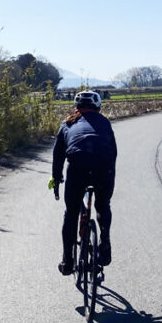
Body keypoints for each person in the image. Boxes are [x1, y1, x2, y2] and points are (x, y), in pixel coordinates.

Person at [50, 90, 117, 275]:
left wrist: (56, 179)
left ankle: (68, 261)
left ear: (76, 107)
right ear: (98, 106)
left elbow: (58, 156)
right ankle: (105, 244)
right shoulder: (104, 122)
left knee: (71, 213)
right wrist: (110, 178)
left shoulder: (67, 123)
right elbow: (113, 153)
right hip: (103, 168)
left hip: (77, 169)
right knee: (103, 206)